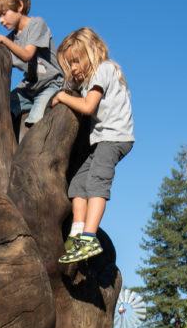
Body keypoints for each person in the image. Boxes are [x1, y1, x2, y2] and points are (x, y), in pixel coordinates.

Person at [52, 27, 135, 264]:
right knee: (78, 183)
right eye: (69, 64)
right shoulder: (91, 78)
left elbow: (88, 106)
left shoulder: (104, 69)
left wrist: (61, 97)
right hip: (101, 140)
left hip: (115, 137)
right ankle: (77, 233)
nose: (74, 68)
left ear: (91, 52)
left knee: (97, 180)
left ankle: (89, 237)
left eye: (76, 61)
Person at [0, 0, 64, 138]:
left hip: (51, 84)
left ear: (19, 6)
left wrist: (1, 39)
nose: (0, 20)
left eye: (3, 13)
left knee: (35, 119)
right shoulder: (11, 38)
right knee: (2, 107)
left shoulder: (37, 24)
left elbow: (27, 55)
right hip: (30, 87)